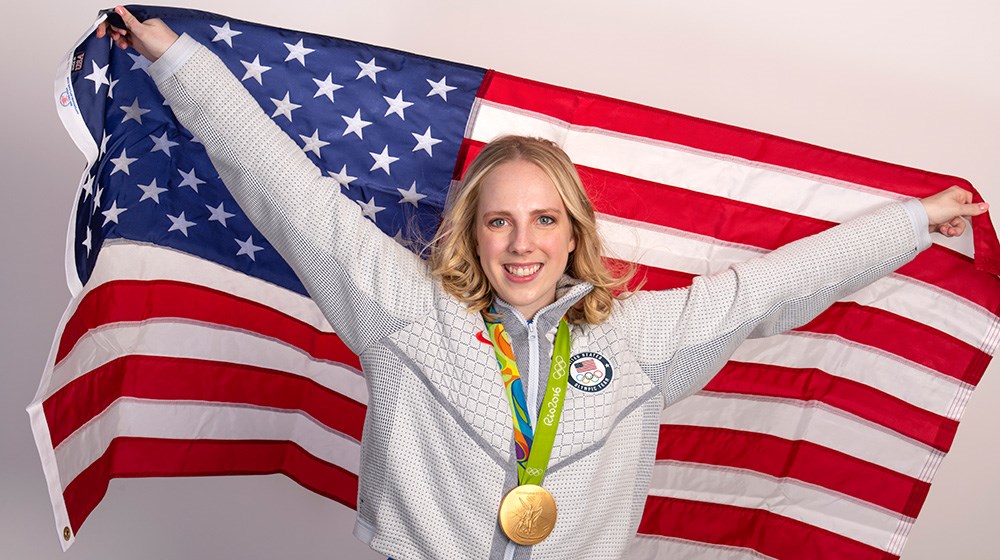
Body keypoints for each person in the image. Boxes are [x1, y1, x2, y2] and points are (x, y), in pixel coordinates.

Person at [97, 6, 989, 560]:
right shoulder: (405, 312)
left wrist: (912, 222)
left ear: (575, 234)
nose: (522, 244)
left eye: (545, 220)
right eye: (499, 220)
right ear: (472, 234)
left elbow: (773, 288)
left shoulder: (640, 337)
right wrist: (173, 56)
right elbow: (286, 191)